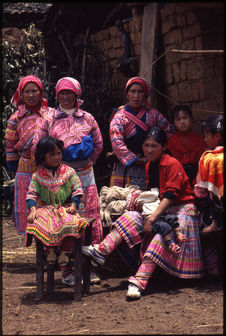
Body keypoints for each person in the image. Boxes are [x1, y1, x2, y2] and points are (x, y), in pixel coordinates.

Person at [82, 127, 204, 300]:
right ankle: (102, 251)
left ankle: (139, 281)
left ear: (163, 147)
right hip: (162, 209)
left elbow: (170, 196)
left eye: (154, 146)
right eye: (146, 145)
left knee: (161, 235)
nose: (149, 150)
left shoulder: (171, 163)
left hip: (183, 210)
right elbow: (155, 195)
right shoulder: (149, 165)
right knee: (129, 217)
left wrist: (152, 218)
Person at [32, 76, 103, 283]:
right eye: (62, 93)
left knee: (87, 221)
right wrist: (52, 171)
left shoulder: (87, 118)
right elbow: (39, 146)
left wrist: (85, 164)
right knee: (63, 223)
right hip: (58, 181)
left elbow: (98, 144)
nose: (66, 97)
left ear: (77, 95)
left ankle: (88, 269)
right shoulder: (50, 118)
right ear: (57, 95)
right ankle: (67, 271)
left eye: (70, 93)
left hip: (85, 177)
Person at [26, 136, 89, 285]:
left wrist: (74, 205)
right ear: (43, 156)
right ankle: (51, 251)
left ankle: (64, 254)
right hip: (45, 209)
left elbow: (77, 189)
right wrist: (33, 210)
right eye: (52, 154)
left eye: (59, 153)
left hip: (66, 207)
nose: (56, 157)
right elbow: (31, 194)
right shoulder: (37, 176)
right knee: (40, 222)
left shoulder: (69, 171)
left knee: (70, 221)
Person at [109, 76, 174, 190]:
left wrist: (158, 155)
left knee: (148, 201)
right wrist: (136, 160)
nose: (136, 96)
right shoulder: (119, 117)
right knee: (121, 203)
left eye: (140, 92)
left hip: (150, 165)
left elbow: (169, 132)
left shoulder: (154, 115)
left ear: (145, 94)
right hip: (124, 169)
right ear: (127, 94)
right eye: (132, 91)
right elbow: (117, 142)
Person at [5, 75, 50, 235]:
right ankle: (29, 237)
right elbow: (10, 145)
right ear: (21, 94)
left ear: (41, 93)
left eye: (34, 91)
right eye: (27, 91)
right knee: (26, 202)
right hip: (24, 165)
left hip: (47, 164)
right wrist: (12, 165)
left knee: (47, 201)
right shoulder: (15, 118)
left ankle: (48, 236)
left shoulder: (50, 115)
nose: (31, 95)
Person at [194, 114, 224, 233]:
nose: (205, 139)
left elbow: (201, 191)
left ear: (217, 136)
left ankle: (216, 223)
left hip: (217, 209)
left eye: (206, 136)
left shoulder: (210, 158)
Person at [166, 105, 206, 186]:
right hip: (177, 176)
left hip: (196, 175)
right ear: (173, 122)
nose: (182, 122)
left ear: (191, 119)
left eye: (185, 118)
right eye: (178, 119)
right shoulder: (170, 142)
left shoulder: (199, 139)